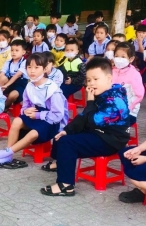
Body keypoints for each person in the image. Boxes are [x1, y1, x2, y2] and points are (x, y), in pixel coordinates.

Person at [40, 58, 130, 196]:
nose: (91, 83)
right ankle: (61, 162)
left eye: (95, 79)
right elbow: (84, 117)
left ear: (108, 78)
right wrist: (67, 130)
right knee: (62, 134)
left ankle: (66, 185)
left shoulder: (115, 100)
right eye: (88, 80)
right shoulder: (101, 94)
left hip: (111, 140)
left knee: (67, 143)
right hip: (99, 133)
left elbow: (93, 120)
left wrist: (89, 102)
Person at [0, 53, 68, 169]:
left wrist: (38, 115)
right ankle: (9, 156)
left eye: (36, 67)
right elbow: (26, 105)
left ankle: (5, 153)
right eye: (29, 67)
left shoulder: (53, 89)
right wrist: (26, 111)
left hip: (50, 120)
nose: (32, 71)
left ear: (44, 69)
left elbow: (58, 115)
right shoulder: (30, 86)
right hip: (35, 114)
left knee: (33, 133)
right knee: (17, 121)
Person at [112, 42, 144, 125]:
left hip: (129, 111)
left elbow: (138, 95)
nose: (119, 59)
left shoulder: (134, 74)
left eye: (123, 56)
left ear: (131, 59)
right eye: (116, 56)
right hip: (112, 108)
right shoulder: (111, 71)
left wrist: (126, 108)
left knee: (110, 125)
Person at [0, 39, 28, 109]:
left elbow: (17, 75)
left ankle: (4, 107)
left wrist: (6, 85)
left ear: (23, 52)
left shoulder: (25, 62)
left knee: (13, 95)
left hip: (20, 84)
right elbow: (2, 73)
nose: (13, 52)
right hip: (10, 83)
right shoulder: (8, 62)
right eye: (12, 50)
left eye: (17, 50)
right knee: (2, 78)